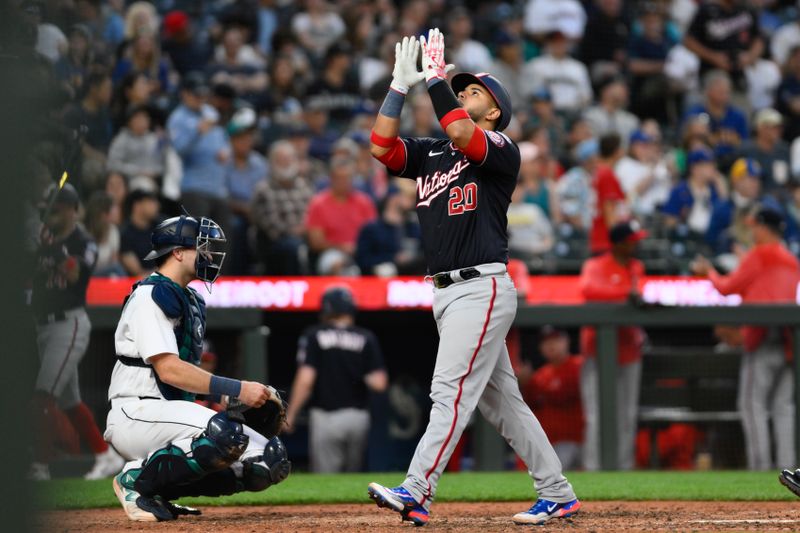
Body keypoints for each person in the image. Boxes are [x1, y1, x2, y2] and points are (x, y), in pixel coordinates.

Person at [365, 30, 579, 527]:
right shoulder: (434, 153)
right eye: (459, 91)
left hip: (480, 286)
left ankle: (417, 490)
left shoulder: (501, 147)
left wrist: (437, 79)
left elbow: (463, 133)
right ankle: (558, 492)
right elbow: (381, 148)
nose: (462, 96)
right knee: (504, 405)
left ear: (494, 111)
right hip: (448, 291)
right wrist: (399, 87)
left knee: (449, 390)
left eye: (473, 93)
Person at [104, 214, 290, 522]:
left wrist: (226, 401)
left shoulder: (189, 299)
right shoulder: (151, 295)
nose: (209, 255)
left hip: (171, 413)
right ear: (177, 252)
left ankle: (160, 490)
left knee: (268, 462)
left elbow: (184, 377)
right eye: (202, 247)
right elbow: (169, 371)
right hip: (136, 412)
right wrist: (238, 388)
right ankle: (134, 481)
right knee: (225, 435)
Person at [692, 208, 800, 470]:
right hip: (789, 341)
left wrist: (709, 271)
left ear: (764, 228)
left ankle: (760, 469)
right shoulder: (790, 259)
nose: (752, 231)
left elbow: (726, 287)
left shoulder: (759, 255)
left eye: (755, 227)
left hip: (761, 338)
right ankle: (788, 469)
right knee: (783, 407)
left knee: (752, 406)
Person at [29, 184, 124, 481]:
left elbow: (73, 274)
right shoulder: (41, 237)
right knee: (70, 402)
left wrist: (53, 247)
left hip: (68, 324)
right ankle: (105, 455)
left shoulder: (83, 241)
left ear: (71, 209)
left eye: (56, 209)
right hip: (42, 324)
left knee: (43, 398)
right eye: (48, 209)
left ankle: (40, 467)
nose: (51, 215)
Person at [284, 286, 388, 472]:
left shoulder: (314, 334)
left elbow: (306, 380)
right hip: (358, 418)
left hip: (326, 417)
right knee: (353, 478)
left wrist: (291, 414)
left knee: (326, 478)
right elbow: (379, 384)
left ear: (327, 309)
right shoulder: (366, 337)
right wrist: (357, 368)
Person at [579, 220, 647, 471]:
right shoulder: (595, 266)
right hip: (597, 352)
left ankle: (624, 471)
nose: (636, 245)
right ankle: (594, 470)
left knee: (627, 417)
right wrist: (623, 296)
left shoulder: (637, 267)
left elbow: (638, 297)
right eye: (632, 240)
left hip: (629, 351)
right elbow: (588, 290)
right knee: (596, 417)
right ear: (619, 243)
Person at [522, 327, 584, 470]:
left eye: (556, 340)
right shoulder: (540, 376)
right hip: (551, 443)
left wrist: (538, 387)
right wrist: (526, 384)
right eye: (546, 342)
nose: (551, 345)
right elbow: (529, 406)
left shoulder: (579, 365)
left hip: (579, 439)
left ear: (567, 342)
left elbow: (563, 394)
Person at [250, 141, 314, 275]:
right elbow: (272, 228)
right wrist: (298, 231)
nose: (286, 163)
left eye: (289, 159)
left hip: (306, 236)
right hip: (276, 243)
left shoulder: (305, 186)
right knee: (293, 247)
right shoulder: (263, 190)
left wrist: (309, 230)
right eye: (281, 160)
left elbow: (314, 214)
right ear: (272, 163)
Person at [119, 188, 160, 277]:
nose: (156, 205)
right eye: (150, 202)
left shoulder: (160, 226)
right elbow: (137, 272)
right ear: (137, 206)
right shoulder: (125, 234)